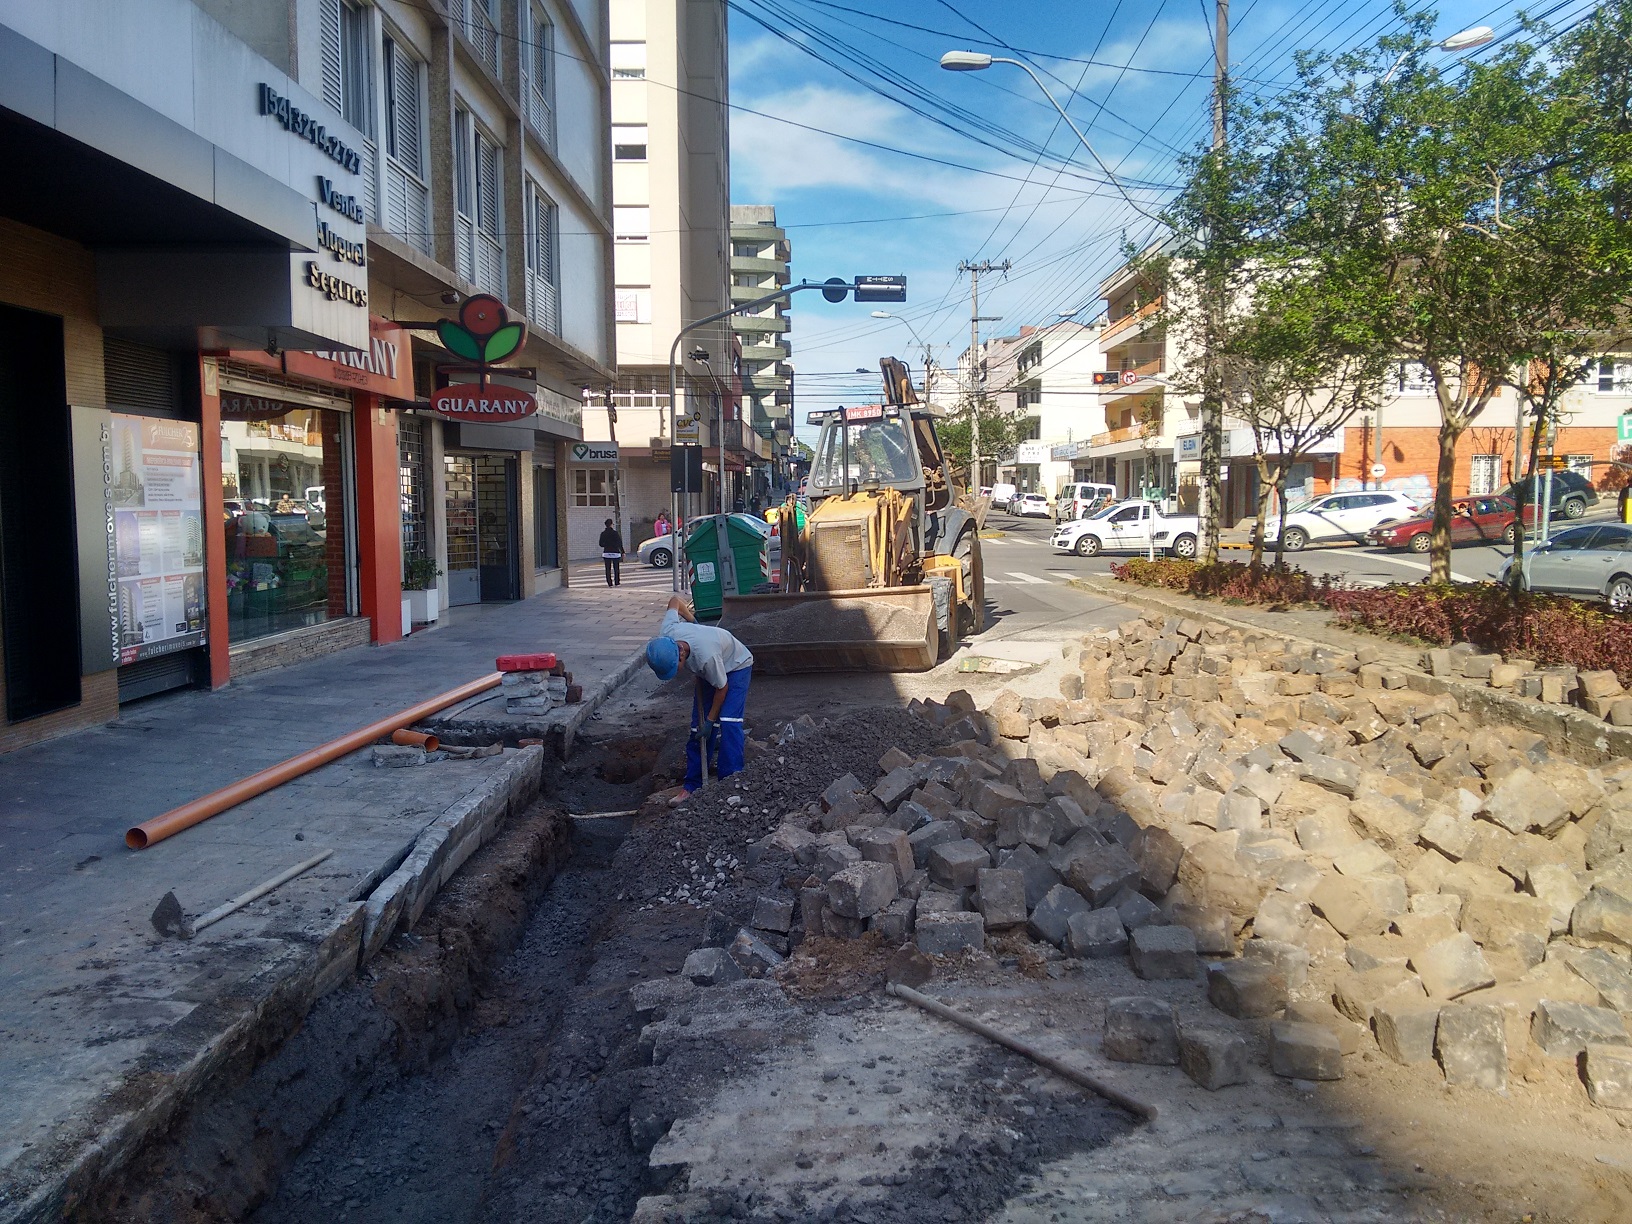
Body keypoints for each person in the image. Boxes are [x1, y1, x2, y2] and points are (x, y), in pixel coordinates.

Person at [644, 594, 754, 799]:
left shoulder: (706, 656)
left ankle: (729, 782)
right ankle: (692, 785)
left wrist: (711, 721)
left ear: (681, 654)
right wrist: (693, 622)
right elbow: (675, 601)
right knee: (697, 728)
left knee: (729, 721)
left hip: (736, 665)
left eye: (675, 668)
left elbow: (723, 688)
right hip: (708, 670)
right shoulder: (668, 633)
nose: (677, 673)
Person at [598, 518, 624, 587]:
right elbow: (619, 543)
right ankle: (617, 582)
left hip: (606, 553)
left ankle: (609, 583)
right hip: (615, 553)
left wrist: (606, 544)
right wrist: (622, 552)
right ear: (611, 524)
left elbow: (600, 544)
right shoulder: (615, 533)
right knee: (616, 569)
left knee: (607, 569)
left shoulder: (603, 534)